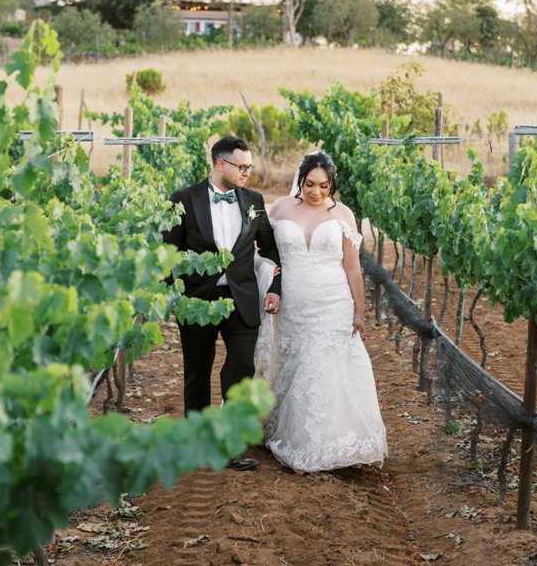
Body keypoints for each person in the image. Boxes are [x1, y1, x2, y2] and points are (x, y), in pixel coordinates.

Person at [260, 151, 388, 473]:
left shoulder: (343, 214)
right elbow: (268, 254)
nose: (316, 192)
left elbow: (354, 268)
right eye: (309, 184)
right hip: (294, 304)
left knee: (327, 368)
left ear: (332, 185)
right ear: (299, 181)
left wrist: (359, 310)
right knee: (296, 365)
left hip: (333, 302)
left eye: (323, 186)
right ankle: (296, 434)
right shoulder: (280, 208)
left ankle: (328, 444)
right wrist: (270, 287)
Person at [162, 136, 282, 471]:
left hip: (241, 299)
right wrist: (173, 297)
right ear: (220, 164)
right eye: (242, 166)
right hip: (197, 301)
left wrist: (274, 287)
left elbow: (271, 250)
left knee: (241, 367)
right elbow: (166, 254)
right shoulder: (183, 199)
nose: (248, 172)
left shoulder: (255, 201)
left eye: (250, 166)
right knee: (197, 371)